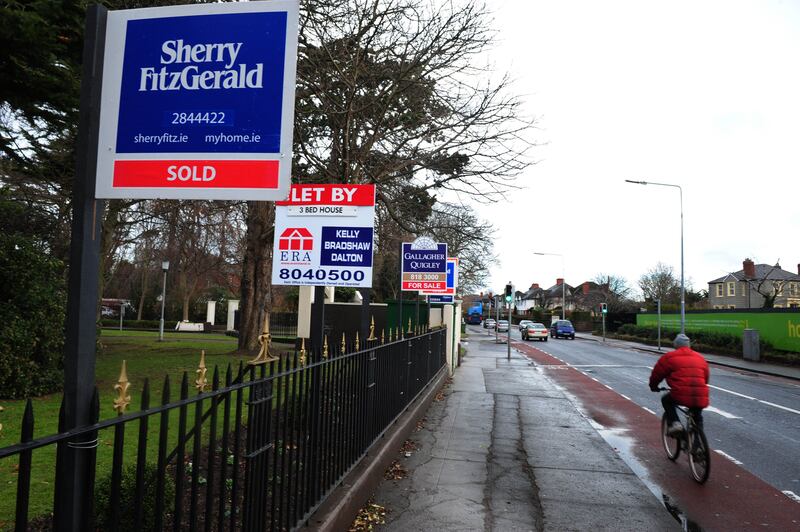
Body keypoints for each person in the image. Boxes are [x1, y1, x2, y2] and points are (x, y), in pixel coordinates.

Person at [649, 333, 709, 435]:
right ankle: (698, 447)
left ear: (675, 345)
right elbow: (706, 378)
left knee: (666, 400)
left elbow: (657, 375)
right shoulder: (700, 358)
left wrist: (653, 386)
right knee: (697, 417)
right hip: (701, 395)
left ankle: (675, 423)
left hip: (680, 393)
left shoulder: (669, 357)